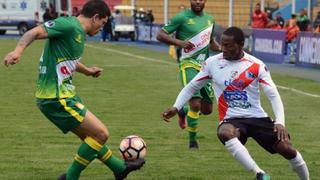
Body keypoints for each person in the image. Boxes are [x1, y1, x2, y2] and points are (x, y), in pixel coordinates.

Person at [3, 0, 145, 180]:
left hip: (61, 94)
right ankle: (71, 177)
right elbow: (33, 32)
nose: (102, 28)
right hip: (56, 96)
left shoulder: (77, 32)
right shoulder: (69, 25)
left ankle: (119, 168)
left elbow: (68, 60)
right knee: (101, 134)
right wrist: (18, 51)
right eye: (102, 23)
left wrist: (87, 71)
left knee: (91, 137)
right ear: (95, 18)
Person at [162, 27, 310, 180]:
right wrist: (176, 107)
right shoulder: (212, 63)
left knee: (287, 149)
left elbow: (273, 94)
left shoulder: (256, 65)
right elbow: (192, 86)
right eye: (222, 44)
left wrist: (280, 122)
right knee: (225, 132)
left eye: (228, 45)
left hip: (257, 117)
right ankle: (259, 173)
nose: (223, 49)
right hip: (231, 119)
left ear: (241, 44)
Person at [157, 0, 220, 149]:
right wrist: (179, 42)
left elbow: (211, 42)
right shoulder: (181, 17)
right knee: (195, 104)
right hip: (188, 64)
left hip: (205, 67)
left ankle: (183, 111)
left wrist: (223, 49)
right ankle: (193, 142)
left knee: (207, 109)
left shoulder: (210, 19)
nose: (198, 1)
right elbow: (160, 35)